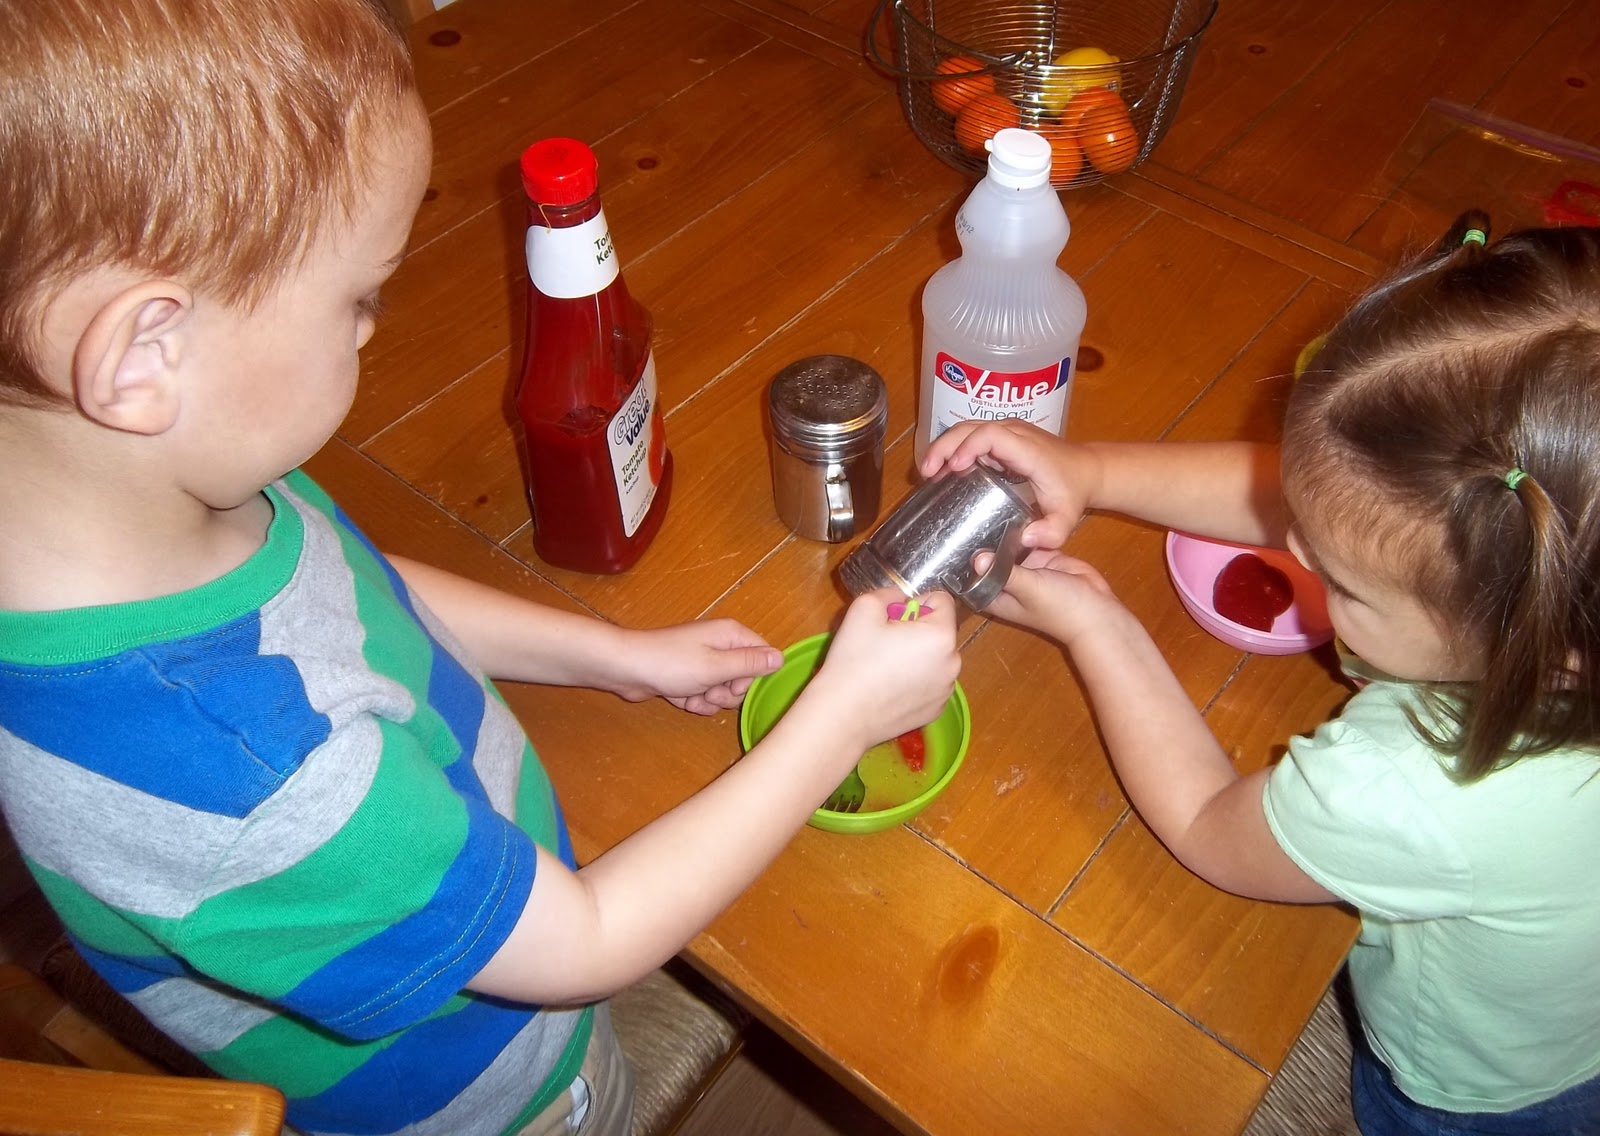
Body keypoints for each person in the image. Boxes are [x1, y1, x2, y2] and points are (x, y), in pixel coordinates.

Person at [0, 2, 962, 1135]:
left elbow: (357, 589)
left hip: (483, 895)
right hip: (505, 1092)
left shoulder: (141, 500)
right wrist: (842, 718)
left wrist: (613, 656)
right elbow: (587, 941)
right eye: (359, 295)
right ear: (143, 355)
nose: (373, 328)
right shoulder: (254, 775)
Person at [922, 213, 1600, 1135]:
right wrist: (1091, 468)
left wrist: (1097, 625)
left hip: (1487, 1096)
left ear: (1538, 640)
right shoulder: (1562, 599)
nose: (1294, 551)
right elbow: (1336, 502)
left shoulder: (1415, 787)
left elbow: (1211, 826)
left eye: (1345, 585)